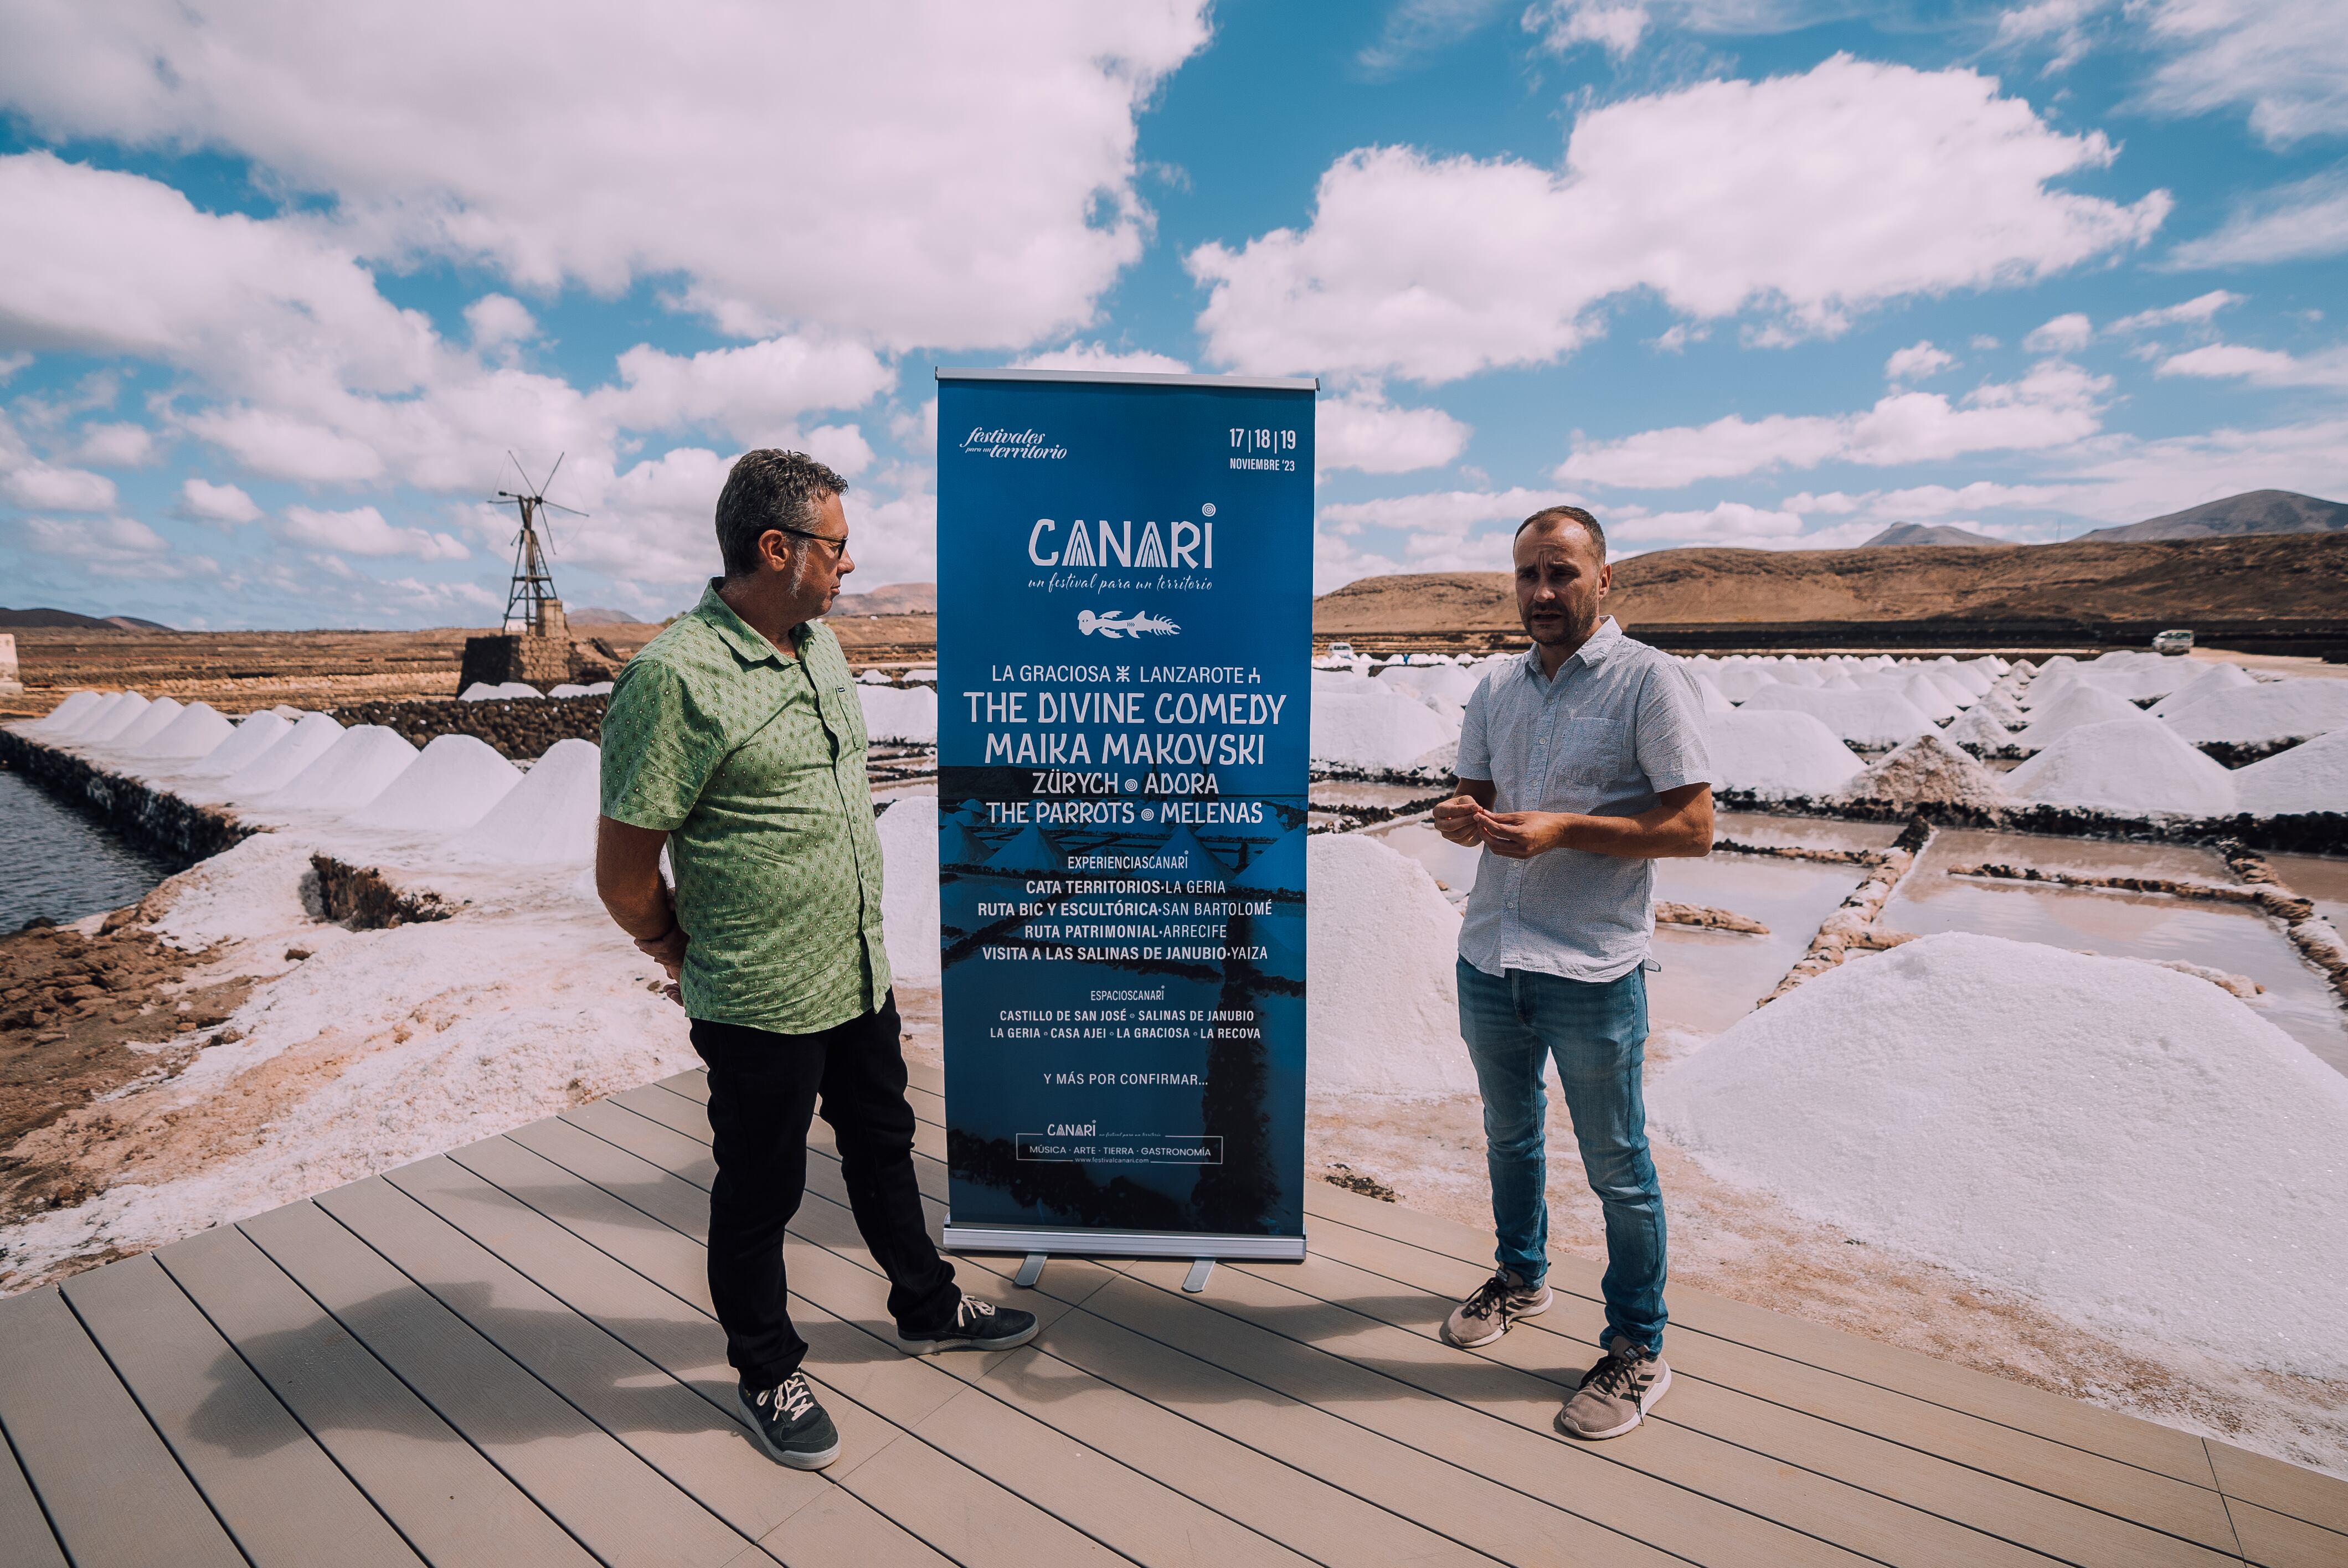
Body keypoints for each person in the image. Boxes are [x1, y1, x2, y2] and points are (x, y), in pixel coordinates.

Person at [595, 448, 1036, 1471]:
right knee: (761, 1189)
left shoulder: (818, 647)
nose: (850, 564)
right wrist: (669, 941)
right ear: (775, 547)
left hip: (854, 975)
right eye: (836, 547)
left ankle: (925, 1306)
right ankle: (766, 1369)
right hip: (758, 995)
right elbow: (624, 873)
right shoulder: (674, 679)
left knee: (883, 1143)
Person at [1429, 505, 1715, 1441]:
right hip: (1490, 953)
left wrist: (1563, 829)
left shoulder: (1648, 684)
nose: (1541, 593)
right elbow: (1479, 793)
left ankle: (1639, 1347)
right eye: (1526, 576)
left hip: (1591, 966)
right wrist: (1462, 815)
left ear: (1604, 580)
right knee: (1509, 1137)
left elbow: (1693, 828)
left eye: (1560, 573)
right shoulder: (1496, 689)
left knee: (1618, 1167)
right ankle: (1522, 1277)